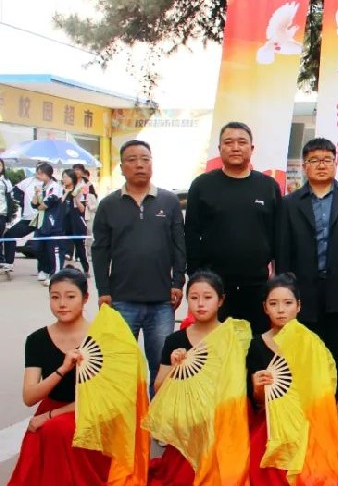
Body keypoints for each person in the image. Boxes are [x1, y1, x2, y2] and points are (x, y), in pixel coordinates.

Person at [246, 273, 338, 486]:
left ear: (298, 306)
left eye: (287, 303)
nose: (281, 310)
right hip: (272, 423)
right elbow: (258, 403)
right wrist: (257, 387)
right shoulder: (256, 344)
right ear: (265, 307)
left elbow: (324, 391)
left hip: (308, 420)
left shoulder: (312, 342)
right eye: (273, 303)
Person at [142, 270, 267, 486]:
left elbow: (240, 385)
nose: (200, 304)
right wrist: (176, 368)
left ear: (221, 300)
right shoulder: (175, 340)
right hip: (190, 415)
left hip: (226, 413)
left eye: (207, 297)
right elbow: (159, 388)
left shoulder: (234, 336)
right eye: (194, 297)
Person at [0, 269, 110, 486]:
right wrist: (62, 369)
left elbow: (105, 397)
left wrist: (51, 416)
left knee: (53, 428)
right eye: (55, 297)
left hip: (91, 409)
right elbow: (30, 397)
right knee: (44, 430)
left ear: (85, 298)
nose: (62, 304)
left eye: (70, 296)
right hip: (52, 406)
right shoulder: (37, 340)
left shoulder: (102, 337)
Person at [92, 140, 186, 385]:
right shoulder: (108, 205)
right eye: (132, 160)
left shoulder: (169, 201)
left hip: (162, 301)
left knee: (162, 367)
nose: (139, 165)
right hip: (122, 300)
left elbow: (179, 246)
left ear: (152, 164)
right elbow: (100, 251)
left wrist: (178, 282)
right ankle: (126, 410)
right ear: (122, 167)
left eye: (145, 159)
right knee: (121, 367)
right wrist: (104, 290)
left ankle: (157, 410)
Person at [277, 138, 338, 368]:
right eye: (314, 160)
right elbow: (283, 248)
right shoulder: (290, 203)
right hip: (302, 289)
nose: (321, 165)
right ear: (304, 167)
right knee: (305, 353)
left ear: (335, 163)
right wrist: (284, 287)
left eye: (327, 160)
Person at [186, 121, 282, 333]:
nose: (235, 147)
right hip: (214, 286)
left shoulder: (268, 186)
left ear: (252, 148)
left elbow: (278, 236)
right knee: (215, 345)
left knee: (256, 344)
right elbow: (191, 234)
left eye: (242, 142)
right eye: (228, 142)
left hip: (257, 286)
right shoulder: (202, 185)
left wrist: (279, 280)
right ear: (220, 148)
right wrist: (195, 279)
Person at [3, 164, 41, 271]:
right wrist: (21, 201)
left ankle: (46, 270)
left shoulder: (51, 184)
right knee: (9, 235)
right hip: (28, 218)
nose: (38, 172)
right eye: (37, 169)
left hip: (42, 218)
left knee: (44, 243)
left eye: (41, 170)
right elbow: (15, 190)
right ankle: (8, 262)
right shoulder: (29, 181)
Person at [31, 162, 64, 285]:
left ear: (47, 174)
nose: (38, 176)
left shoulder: (55, 187)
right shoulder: (40, 187)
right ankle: (43, 270)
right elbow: (34, 204)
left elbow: (45, 205)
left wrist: (39, 204)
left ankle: (55, 275)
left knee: (53, 250)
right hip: (41, 222)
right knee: (38, 247)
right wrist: (36, 194)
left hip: (53, 223)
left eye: (40, 174)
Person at [59, 169, 89, 277]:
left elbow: (82, 209)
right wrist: (65, 193)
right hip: (63, 222)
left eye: (67, 177)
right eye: (63, 177)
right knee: (61, 246)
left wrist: (76, 197)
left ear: (72, 178)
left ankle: (86, 269)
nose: (64, 179)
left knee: (79, 246)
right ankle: (59, 269)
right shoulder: (60, 190)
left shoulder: (78, 190)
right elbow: (58, 205)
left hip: (75, 221)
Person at [0, 159, 15, 273]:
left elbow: (10, 199)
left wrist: (9, 217)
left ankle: (1, 260)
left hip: (2, 213)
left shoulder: (6, 180)